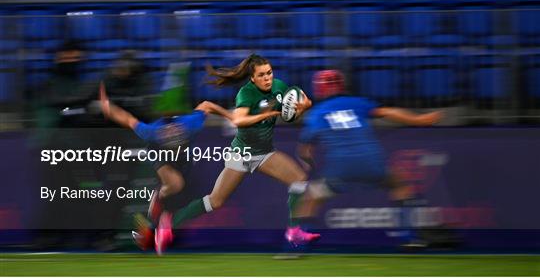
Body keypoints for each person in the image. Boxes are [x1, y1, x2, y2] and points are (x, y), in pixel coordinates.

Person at [153, 54, 319, 253]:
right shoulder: (246, 94)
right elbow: (238, 121)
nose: (267, 78)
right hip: (241, 154)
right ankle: (170, 222)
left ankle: (294, 231)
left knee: (299, 179)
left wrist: (304, 106)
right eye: (262, 75)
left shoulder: (280, 87)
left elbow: (297, 107)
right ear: (252, 78)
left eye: (269, 73)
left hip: (264, 153)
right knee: (215, 201)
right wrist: (269, 114)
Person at [288, 69, 443, 247]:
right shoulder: (357, 102)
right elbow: (389, 112)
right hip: (372, 163)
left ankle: (297, 246)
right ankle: (407, 237)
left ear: (318, 89)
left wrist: (309, 166)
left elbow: (304, 150)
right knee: (400, 185)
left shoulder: (316, 113)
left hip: (340, 169)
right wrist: (421, 120)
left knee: (310, 198)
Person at [99, 82, 234, 254]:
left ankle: (155, 228)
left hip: (182, 161)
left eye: (174, 133)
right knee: (175, 184)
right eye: (167, 133)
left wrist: (229, 115)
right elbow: (128, 119)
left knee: (182, 198)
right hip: (158, 155)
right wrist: (108, 108)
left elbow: (206, 105)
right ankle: (160, 195)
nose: (170, 134)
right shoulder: (152, 131)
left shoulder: (190, 123)